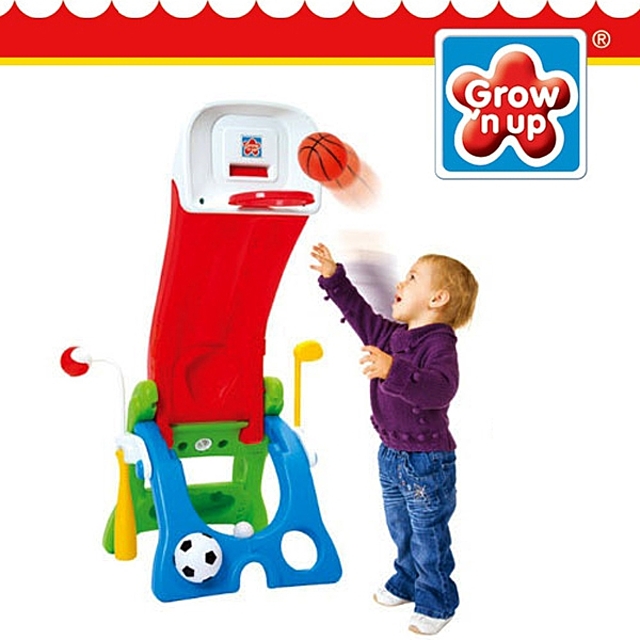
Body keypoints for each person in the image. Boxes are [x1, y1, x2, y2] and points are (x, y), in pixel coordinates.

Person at [310, 242, 478, 636]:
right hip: (390, 451)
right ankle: (407, 579)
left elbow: (440, 390)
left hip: (426, 460)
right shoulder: (392, 335)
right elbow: (359, 314)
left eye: (413, 277)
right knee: (400, 526)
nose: (401, 283)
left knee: (428, 534)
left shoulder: (439, 345)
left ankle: (437, 600)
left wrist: (392, 370)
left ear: (437, 299)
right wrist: (334, 278)